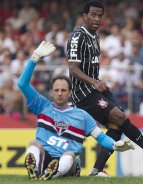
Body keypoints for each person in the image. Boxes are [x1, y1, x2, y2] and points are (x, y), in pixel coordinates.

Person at [66, 0, 143, 176]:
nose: (97, 19)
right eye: (93, 15)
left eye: (100, 15)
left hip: (96, 89)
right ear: (85, 16)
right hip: (83, 94)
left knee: (116, 125)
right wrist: (94, 82)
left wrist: (97, 83)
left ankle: (95, 172)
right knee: (119, 116)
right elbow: (73, 69)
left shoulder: (96, 37)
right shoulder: (77, 37)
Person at [17, 41, 134, 180]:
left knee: (70, 156)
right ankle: (35, 172)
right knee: (33, 143)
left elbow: (101, 137)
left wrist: (114, 145)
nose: (60, 93)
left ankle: (52, 174)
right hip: (45, 157)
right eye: (56, 90)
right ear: (52, 92)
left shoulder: (82, 116)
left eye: (63, 90)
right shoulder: (42, 106)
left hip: (66, 162)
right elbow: (22, 84)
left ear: (70, 93)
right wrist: (34, 58)